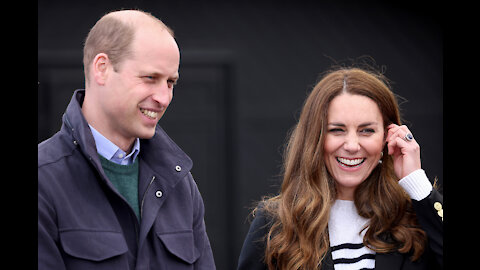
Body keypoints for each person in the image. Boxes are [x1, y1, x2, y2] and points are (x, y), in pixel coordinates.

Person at [38, 9, 216, 269]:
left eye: (170, 82)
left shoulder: (180, 184)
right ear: (102, 69)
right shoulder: (44, 180)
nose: (163, 98)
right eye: (150, 78)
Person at [237, 67, 442, 270]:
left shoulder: (416, 218)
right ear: (315, 138)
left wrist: (417, 182)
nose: (352, 145)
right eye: (337, 130)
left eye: (367, 130)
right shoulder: (276, 223)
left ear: (387, 138)